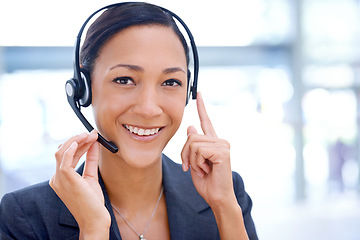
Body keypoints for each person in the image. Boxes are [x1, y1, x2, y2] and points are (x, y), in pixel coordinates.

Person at [0, 2, 258, 239]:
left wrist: (225, 207)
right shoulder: (23, 217)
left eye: (170, 82)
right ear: (84, 89)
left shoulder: (226, 193)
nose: (148, 109)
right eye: (124, 80)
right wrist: (93, 229)